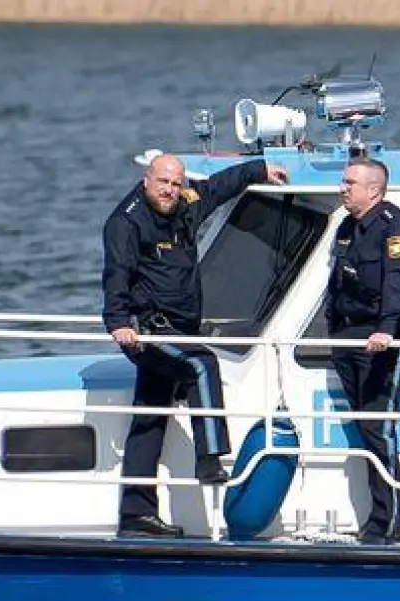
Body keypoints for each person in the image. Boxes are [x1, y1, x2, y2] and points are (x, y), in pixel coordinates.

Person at [102, 153, 289, 538]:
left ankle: (136, 515)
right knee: (201, 366)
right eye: (162, 183)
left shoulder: (185, 203)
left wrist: (257, 170)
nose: (170, 190)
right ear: (146, 181)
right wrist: (119, 322)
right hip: (147, 330)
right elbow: (116, 275)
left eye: (175, 183)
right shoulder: (126, 222)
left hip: (180, 327)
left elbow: (217, 188)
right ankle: (209, 458)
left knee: (150, 418)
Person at [326, 158, 400, 545]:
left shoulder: (392, 225)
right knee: (365, 430)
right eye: (343, 181)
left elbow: (399, 281)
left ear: (374, 190)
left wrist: (386, 330)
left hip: (381, 339)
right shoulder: (347, 227)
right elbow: (337, 283)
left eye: (351, 182)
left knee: (378, 428)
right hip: (349, 338)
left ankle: (389, 522)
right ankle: (376, 518)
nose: (343, 188)